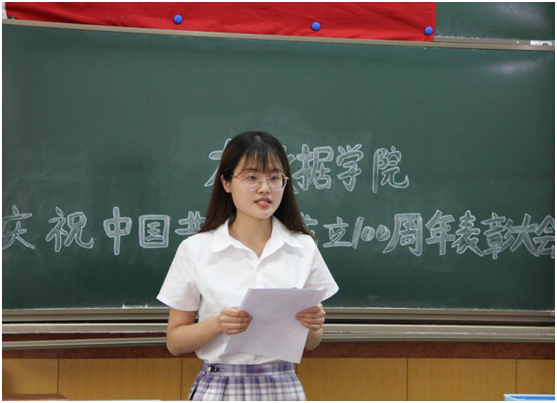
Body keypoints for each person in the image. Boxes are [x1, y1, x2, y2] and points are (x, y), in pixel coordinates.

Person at [157, 131, 339, 401]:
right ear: (226, 182)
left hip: (283, 386)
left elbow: (312, 343)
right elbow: (175, 342)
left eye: (274, 178)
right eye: (252, 177)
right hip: (220, 386)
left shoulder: (303, 247)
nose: (265, 188)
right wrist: (218, 324)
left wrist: (313, 324)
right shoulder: (196, 249)